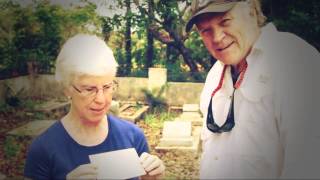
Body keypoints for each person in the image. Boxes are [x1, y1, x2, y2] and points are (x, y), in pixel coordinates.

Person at [186, 0, 320, 178]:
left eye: (225, 21)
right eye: (206, 30)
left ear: (250, 8)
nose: (217, 37)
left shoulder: (295, 61)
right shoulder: (214, 75)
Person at [24, 34, 165, 179]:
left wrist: (151, 177)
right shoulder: (43, 149)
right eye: (89, 89)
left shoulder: (134, 136)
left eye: (107, 86)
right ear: (67, 89)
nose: (101, 99)